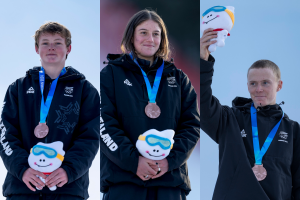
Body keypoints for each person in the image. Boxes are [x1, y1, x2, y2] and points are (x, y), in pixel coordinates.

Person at [100, 9, 200, 200]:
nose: (150, 39)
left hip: (169, 183)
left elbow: (192, 126)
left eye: (156, 34)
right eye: (143, 32)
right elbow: (103, 124)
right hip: (124, 182)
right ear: (131, 36)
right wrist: (134, 161)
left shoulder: (179, 80)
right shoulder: (110, 75)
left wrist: (169, 162)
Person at [0, 22, 100, 200]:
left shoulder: (85, 90)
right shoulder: (18, 88)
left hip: (67, 189)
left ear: (68, 48)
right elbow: (6, 134)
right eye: (45, 43)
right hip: (23, 188)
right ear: (37, 49)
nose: (51, 48)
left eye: (58, 43)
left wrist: (68, 170)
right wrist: (23, 169)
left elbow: (90, 138)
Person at [200, 28, 300, 200]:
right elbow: (203, 102)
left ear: (279, 85)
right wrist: (203, 61)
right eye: (253, 83)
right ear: (247, 86)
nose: (258, 89)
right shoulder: (230, 119)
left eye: (265, 83)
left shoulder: (293, 130)